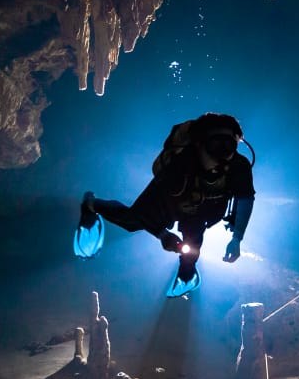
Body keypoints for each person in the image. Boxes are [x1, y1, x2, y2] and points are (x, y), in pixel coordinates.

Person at [75, 112, 255, 296]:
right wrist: (162, 235)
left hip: (201, 210)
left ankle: (187, 276)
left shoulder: (239, 166)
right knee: (131, 221)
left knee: (193, 238)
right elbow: (143, 211)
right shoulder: (178, 166)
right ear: (199, 143)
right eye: (216, 144)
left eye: (229, 145)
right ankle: (90, 204)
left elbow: (246, 199)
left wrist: (237, 238)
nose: (222, 155)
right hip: (170, 202)